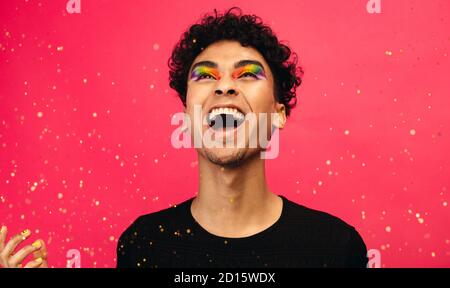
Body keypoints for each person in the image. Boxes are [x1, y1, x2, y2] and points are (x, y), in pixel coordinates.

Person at [116, 7, 368, 268]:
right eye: (205, 75)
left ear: (277, 114)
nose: (224, 86)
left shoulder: (335, 247)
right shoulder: (144, 244)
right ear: (187, 116)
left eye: (247, 74)